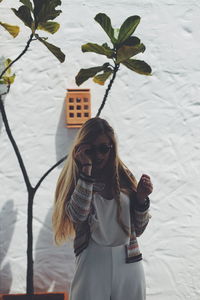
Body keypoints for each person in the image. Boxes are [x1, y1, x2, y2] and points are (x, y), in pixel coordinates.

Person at [52, 117, 153, 300]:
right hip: (92, 260)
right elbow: (78, 216)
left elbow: (138, 229)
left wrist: (141, 199)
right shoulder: (76, 178)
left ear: (112, 148)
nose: (98, 155)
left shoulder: (123, 176)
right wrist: (86, 170)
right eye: (91, 149)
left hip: (128, 260)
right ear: (82, 149)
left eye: (104, 148)